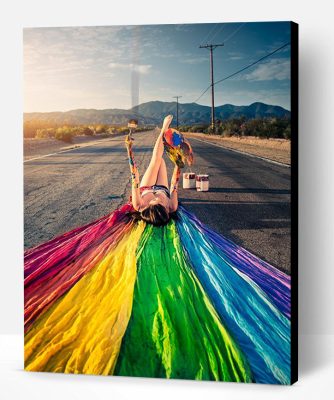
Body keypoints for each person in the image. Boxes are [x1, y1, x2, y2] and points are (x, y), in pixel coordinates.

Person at [125, 114, 181, 226]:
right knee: (160, 160)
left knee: (156, 160)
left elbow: (134, 179)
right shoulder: (171, 207)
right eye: (162, 204)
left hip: (146, 187)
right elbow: (174, 184)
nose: (158, 199)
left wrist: (129, 150)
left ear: (148, 206)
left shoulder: (139, 205)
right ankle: (163, 136)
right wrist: (178, 164)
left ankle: (164, 128)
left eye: (155, 202)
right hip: (162, 188)